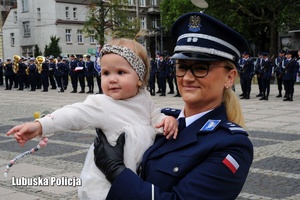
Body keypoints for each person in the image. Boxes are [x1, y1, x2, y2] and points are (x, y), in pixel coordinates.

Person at [93, 12, 254, 200]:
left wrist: (116, 172)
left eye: (201, 68)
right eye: (182, 66)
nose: (187, 77)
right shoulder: (162, 119)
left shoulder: (232, 145)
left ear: (229, 77)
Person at [6, 36, 178, 200]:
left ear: (140, 78)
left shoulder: (145, 98)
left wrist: (167, 121)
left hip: (137, 177)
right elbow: (74, 114)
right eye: (105, 73)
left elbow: (156, 118)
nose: (112, 79)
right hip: (106, 184)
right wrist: (40, 126)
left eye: (120, 72)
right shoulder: (101, 103)